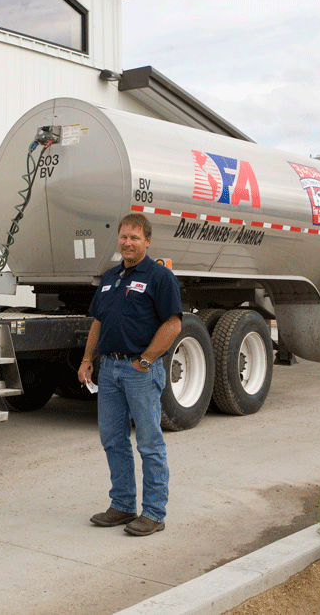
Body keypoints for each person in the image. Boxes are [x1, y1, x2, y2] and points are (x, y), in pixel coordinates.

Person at [78, 213, 182, 536]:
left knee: (149, 442)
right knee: (113, 439)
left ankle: (154, 512)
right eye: (124, 237)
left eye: (135, 238)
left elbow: (173, 324)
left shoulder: (160, 277)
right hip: (108, 370)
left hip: (139, 370)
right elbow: (98, 320)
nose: (127, 243)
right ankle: (122, 505)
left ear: (147, 241)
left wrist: (147, 360)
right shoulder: (110, 278)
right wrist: (87, 359)